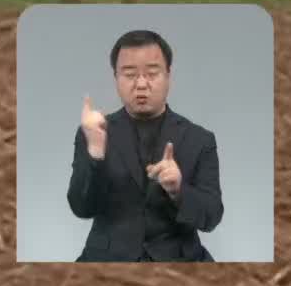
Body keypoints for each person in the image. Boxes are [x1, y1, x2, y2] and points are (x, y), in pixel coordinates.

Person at [66, 28, 223, 261]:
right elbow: (81, 208)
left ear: (168, 75)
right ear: (115, 78)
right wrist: (96, 153)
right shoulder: (94, 133)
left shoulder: (200, 139)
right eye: (129, 74)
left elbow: (211, 217)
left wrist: (178, 191)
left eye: (152, 73)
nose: (141, 84)